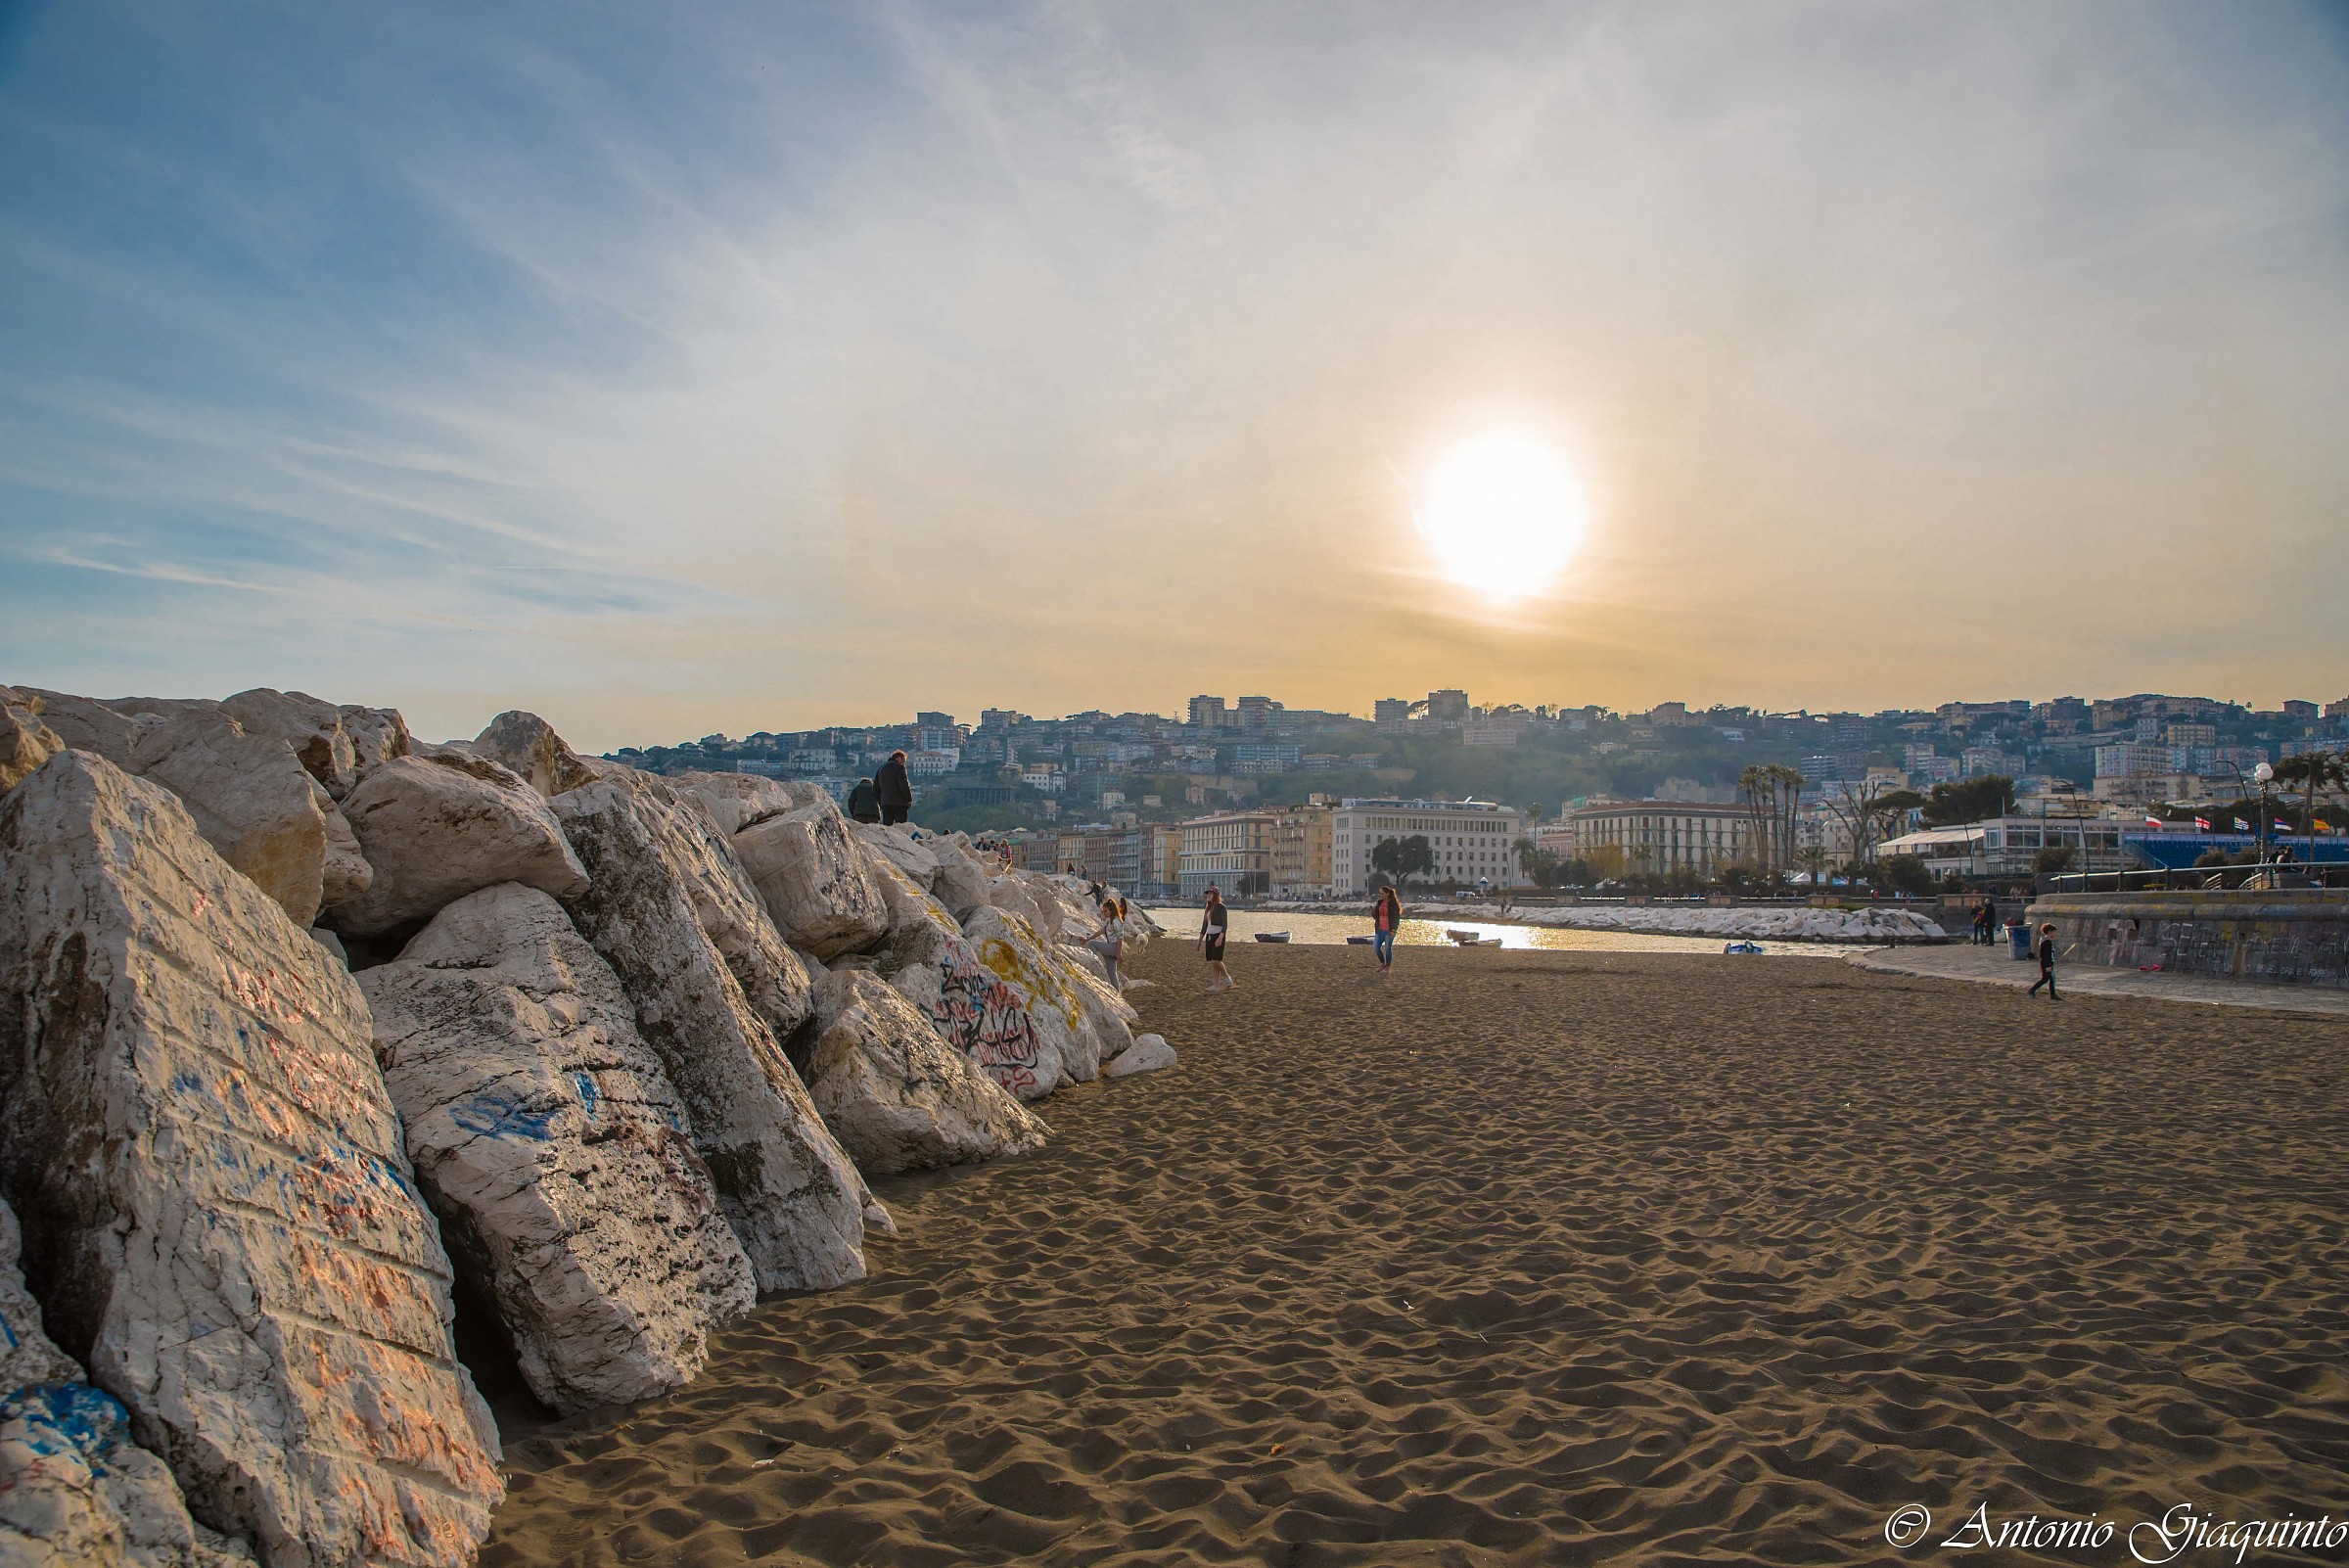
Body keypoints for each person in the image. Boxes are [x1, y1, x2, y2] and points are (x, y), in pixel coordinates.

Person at [1085, 897, 1127, 991]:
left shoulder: (1116, 921)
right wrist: (1086, 939)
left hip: (1114, 948)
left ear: (1111, 911)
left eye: (1105, 911)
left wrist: (1118, 953)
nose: (1103, 913)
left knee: (1092, 944)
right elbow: (1100, 932)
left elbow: (1120, 938)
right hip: (1111, 948)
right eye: (1103, 911)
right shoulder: (1109, 921)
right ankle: (1118, 994)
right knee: (1112, 974)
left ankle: (1093, 963)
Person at [1200, 886, 1233, 992]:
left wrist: (1220, 937)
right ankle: (1215, 985)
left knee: (1216, 960)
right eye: (1208, 894)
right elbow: (1204, 926)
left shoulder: (1221, 908)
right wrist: (1199, 941)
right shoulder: (1208, 909)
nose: (1208, 896)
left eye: (1210, 894)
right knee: (1212, 961)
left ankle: (1227, 977)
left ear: (1215, 895)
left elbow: (1225, 924)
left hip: (1218, 935)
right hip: (1209, 936)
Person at [874, 750, 913, 827]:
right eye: (904, 761)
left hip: (885, 803)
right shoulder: (900, 768)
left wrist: (881, 801)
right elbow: (904, 785)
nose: (904, 764)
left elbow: (875, 789)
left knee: (887, 828)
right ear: (899, 758)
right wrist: (909, 799)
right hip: (899, 803)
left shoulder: (881, 769)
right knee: (901, 828)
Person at [1371, 884, 1402, 975]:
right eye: (1380, 893)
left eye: (1383, 893)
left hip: (1389, 930)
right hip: (1379, 929)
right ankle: (1383, 964)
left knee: (1388, 949)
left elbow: (1396, 918)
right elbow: (1376, 916)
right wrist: (1373, 912)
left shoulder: (1393, 904)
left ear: (1388, 894)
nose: (1381, 895)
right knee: (1376, 947)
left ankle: (1388, 966)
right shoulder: (1379, 902)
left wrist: (1394, 930)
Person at [2027, 921, 2060, 1000]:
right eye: (2054, 932)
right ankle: (2032, 990)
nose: (2055, 934)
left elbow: (2042, 955)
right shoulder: (2046, 942)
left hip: (2047, 963)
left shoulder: (2045, 941)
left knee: (2052, 978)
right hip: (2047, 964)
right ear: (2049, 932)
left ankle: (2053, 994)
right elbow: (2045, 955)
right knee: (2045, 979)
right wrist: (2048, 966)